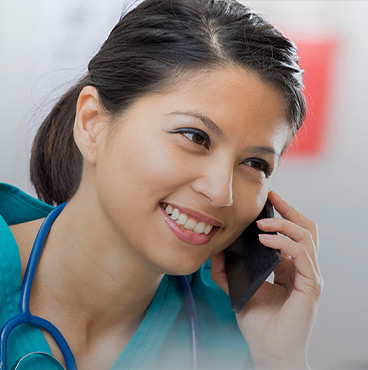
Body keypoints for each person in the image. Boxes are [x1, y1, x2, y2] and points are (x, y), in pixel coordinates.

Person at [0, 0, 323, 369]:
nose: (221, 192)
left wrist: (278, 358)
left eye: (255, 163)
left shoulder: (239, 329)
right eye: (194, 136)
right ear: (92, 123)